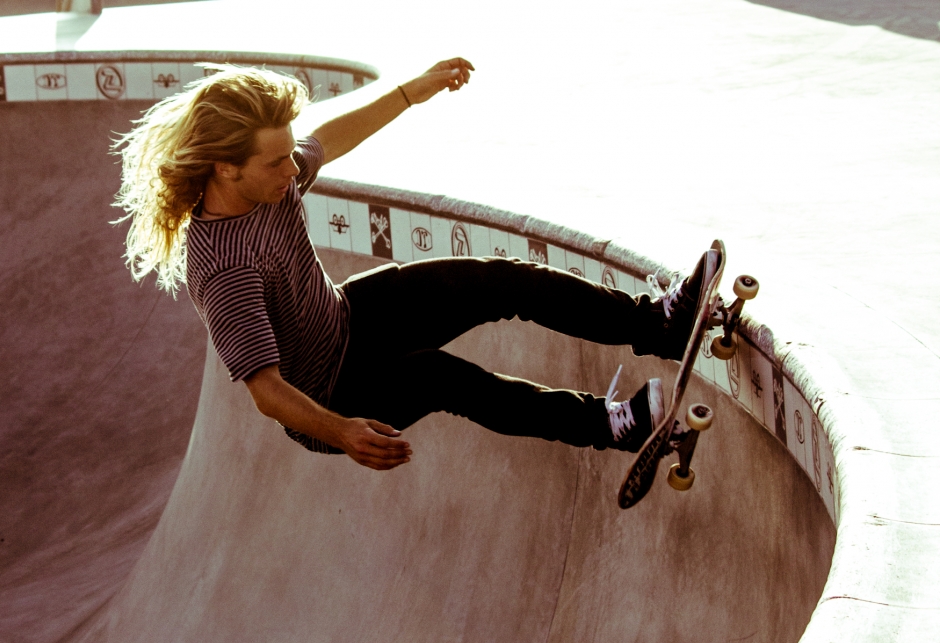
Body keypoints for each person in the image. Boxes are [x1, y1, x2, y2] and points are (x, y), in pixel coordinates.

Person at [113, 59, 712, 470]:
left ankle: (655, 323)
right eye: (276, 163)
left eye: (288, 157)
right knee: (445, 378)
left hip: (348, 320)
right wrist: (342, 432)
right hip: (332, 395)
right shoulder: (223, 266)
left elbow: (331, 136)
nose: (293, 172)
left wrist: (410, 92)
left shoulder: (271, 174)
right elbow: (266, 391)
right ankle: (612, 427)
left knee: (495, 281)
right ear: (224, 168)